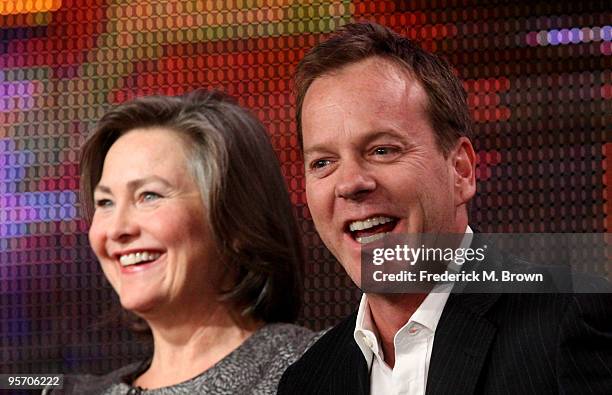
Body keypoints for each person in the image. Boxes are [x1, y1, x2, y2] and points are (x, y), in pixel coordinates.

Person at [278, 22, 612, 394]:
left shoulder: (568, 320)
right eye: (323, 162)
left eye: (383, 150)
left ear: (461, 170)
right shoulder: (307, 381)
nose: (350, 183)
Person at [54, 90, 315, 394]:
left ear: (236, 221)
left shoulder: (317, 369)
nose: (116, 229)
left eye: (149, 196)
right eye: (105, 202)